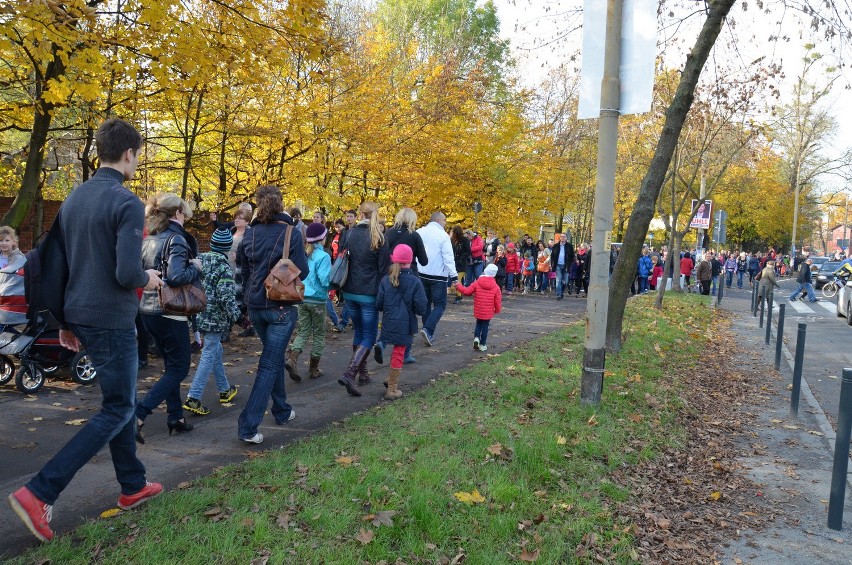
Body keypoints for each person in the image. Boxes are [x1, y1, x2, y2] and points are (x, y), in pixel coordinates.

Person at [8, 118, 165, 542]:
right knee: (117, 408)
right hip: (111, 317)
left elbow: (64, 262)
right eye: (139, 154)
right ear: (130, 153)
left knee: (122, 402)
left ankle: (132, 485)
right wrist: (150, 279)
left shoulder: (75, 197)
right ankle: (40, 492)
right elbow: (126, 271)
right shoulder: (127, 202)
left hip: (79, 312)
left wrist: (65, 321)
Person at [236, 185, 308, 444]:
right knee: (268, 365)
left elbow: (243, 270)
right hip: (280, 308)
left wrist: (250, 294)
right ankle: (247, 425)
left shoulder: (250, 233)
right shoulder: (292, 234)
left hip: (255, 307)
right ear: (281, 203)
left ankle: (281, 410)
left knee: (273, 359)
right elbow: (304, 272)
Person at [136, 193, 202, 442]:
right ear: (176, 214)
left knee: (171, 366)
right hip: (170, 312)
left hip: (148, 310)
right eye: (184, 214)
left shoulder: (150, 238)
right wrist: (195, 267)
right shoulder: (176, 239)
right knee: (179, 367)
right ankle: (140, 413)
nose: (185, 219)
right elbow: (176, 277)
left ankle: (176, 417)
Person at [181, 227, 242, 416]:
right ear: (227, 248)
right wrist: (237, 317)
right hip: (215, 318)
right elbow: (226, 297)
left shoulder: (201, 261)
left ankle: (224, 390)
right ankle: (194, 396)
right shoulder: (224, 268)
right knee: (209, 353)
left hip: (199, 314)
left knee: (215, 350)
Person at [337, 202, 390, 397]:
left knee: (359, 332)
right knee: (369, 336)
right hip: (369, 292)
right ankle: (351, 373)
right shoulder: (378, 237)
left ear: (360, 214)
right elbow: (384, 270)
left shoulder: (349, 234)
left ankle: (362, 373)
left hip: (350, 290)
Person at [375, 244, 427, 400]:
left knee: (387, 339)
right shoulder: (415, 282)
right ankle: (392, 389)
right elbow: (420, 307)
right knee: (399, 352)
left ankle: (381, 345)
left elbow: (379, 304)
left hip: (389, 320)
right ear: (410, 261)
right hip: (405, 323)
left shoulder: (386, 279)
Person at [286, 222, 331, 381]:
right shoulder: (324, 256)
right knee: (318, 333)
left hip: (303, 298)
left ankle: (292, 358)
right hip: (318, 300)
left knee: (303, 331)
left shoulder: (305, 254)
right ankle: (313, 368)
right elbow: (325, 280)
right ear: (322, 239)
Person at [416, 212, 458, 346]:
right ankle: (428, 329)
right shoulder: (443, 236)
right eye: (444, 220)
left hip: (422, 272)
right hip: (438, 275)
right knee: (440, 305)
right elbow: (448, 257)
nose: (446, 223)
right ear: (438, 220)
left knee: (426, 303)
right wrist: (454, 276)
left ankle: (427, 330)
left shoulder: (419, 232)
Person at [456, 263, 502, 352]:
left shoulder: (477, 282)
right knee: (485, 327)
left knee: (478, 324)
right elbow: (497, 301)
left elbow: (467, 291)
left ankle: (476, 338)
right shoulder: (496, 287)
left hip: (479, 309)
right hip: (488, 312)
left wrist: (458, 286)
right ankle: (482, 344)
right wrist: (497, 310)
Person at [229, 207, 255, 338]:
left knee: (242, 298)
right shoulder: (231, 232)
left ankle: (248, 325)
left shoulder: (250, 234)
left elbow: (251, 252)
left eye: (240, 218)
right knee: (230, 296)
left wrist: (239, 257)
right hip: (229, 269)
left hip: (241, 271)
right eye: (236, 217)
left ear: (247, 221)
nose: (237, 220)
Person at [0, 226, 27, 329]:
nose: (4, 243)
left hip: (10, 299)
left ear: (14, 242)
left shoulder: (20, 258)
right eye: (1, 240)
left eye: (7, 240)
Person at [550, 233, 575, 300]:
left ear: (566, 238)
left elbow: (572, 256)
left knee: (565, 281)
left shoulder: (569, 246)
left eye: (564, 237)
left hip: (566, 265)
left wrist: (570, 264)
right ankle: (559, 295)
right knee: (558, 280)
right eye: (561, 237)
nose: (562, 238)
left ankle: (561, 292)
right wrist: (552, 263)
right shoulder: (555, 246)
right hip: (557, 265)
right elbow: (552, 256)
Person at [450, 225, 471, 303]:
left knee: (457, 279)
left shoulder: (464, 240)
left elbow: (468, 251)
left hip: (462, 264)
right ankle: (460, 294)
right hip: (455, 262)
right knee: (457, 279)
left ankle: (458, 296)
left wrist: (461, 258)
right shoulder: (452, 240)